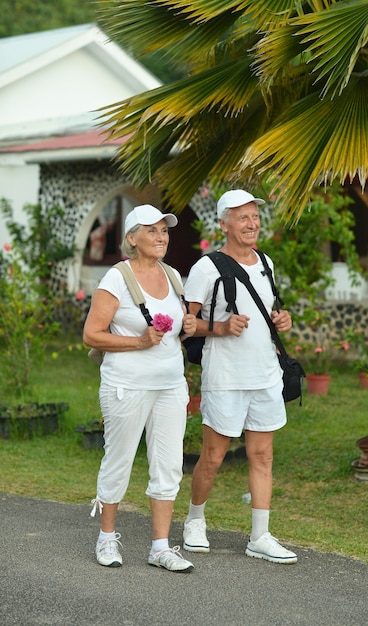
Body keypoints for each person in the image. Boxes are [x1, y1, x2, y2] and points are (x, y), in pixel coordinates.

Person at [182, 189, 297, 564]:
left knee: (262, 456)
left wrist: (283, 319)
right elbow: (186, 326)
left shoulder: (266, 262)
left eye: (255, 216)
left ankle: (260, 536)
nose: (252, 223)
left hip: (265, 375)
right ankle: (194, 520)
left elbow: (269, 310)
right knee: (213, 456)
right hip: (226, 377)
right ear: (224, 224)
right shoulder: (206, 267)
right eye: (243, 217)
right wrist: (219, 326)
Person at [83, 204, 197, 573]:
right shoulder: (116, 278)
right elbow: (91, 335)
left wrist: (189, 326)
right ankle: (106, 538)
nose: (161, 236)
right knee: (119, 461)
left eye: (164, 230)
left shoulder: (174, 276)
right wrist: (138, 342)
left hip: (169, 386)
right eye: (152, 230)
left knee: (169, 466)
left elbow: (174, 331)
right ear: (132, 238)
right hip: (125, 386)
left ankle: (160, 547)